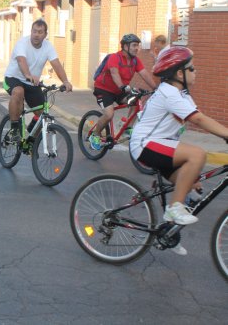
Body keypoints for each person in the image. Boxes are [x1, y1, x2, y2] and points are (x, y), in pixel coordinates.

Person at [130, 47, 228, 252]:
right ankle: (174, 209)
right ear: (179, 73)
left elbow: (201, 118)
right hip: (146, 144)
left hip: (163, 146)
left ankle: (169, 231)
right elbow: (199, 119)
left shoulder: (182, 95)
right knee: (197, 154)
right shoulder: (169, 93)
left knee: (194, 188)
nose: (196, 71)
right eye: (191, 68)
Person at [4, 20, 72, 141]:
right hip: (13, 78)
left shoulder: (48, 46)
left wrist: (65, 81)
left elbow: (56, 64)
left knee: (42, 116)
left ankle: (30, 141)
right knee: (18, 92)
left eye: (40, 32)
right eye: (34, 31)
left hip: (32, 83)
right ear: (31, 32)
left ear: (45, 35)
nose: (36, 34)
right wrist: (28, 74)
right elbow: (21, 60)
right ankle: (14, 129)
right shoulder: (22, 43)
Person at [88, 33, 158, 150]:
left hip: (120, 90)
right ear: (125, 46)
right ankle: (95, 135)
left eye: (138, 46)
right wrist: (122, 86)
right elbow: (114, 73)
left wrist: (156, 88)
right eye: (134, 45)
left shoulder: (135, 61)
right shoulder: (115, 57)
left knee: (136, 101)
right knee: (109, 114)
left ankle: (128, 128)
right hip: (103, 89)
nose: (137, 48)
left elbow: (144, 74)